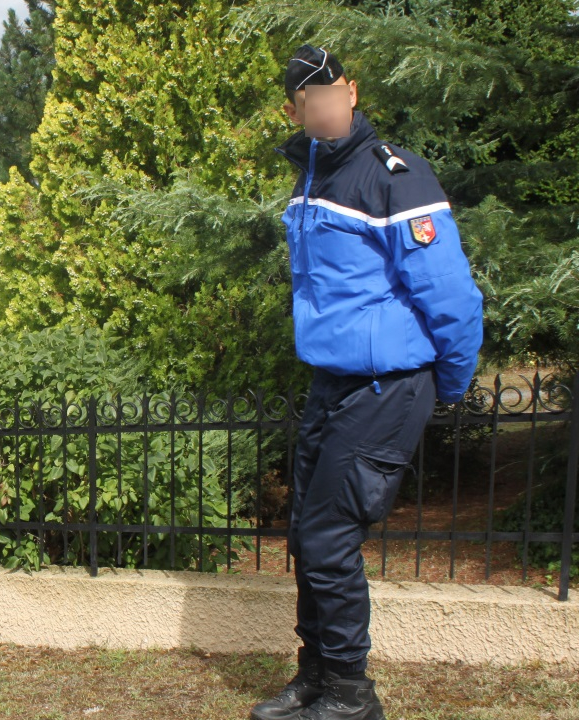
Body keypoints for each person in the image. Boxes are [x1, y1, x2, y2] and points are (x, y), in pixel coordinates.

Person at [251, 46, 484, 720]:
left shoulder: (395, 178)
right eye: (306, 98)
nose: (319, 106)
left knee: (328, 537)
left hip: (390, 383)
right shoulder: (311, 178)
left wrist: (450, 383)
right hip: (334, 382)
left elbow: (451, 294)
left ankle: (353, 693)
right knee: (306, 533)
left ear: (351, 92)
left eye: (330, 92)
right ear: (294, 108)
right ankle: (316, 677)